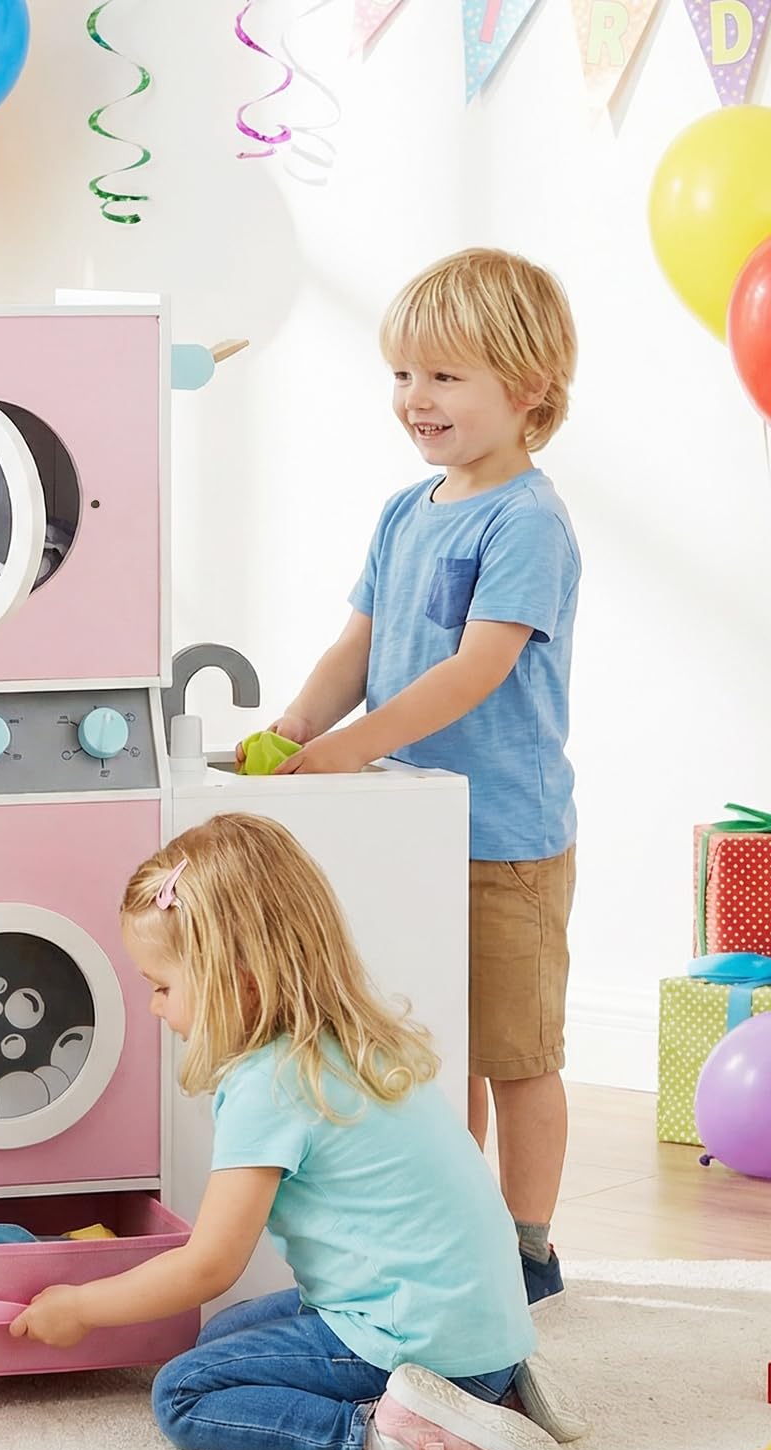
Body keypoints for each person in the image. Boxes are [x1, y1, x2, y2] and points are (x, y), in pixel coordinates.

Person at [10, 813, 587, 1450]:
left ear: (239, 980)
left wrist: (82, 1308)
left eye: (162, 987)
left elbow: (209, 1266)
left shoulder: (269, 1083)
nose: (154, 1008)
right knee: (224, 1334)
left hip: (420, 1343)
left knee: (184, 1391)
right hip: (480, 1333)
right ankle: (495, 1392)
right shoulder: (358, 1047)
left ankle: (392, 1433)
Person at [248, 248, 581, 1306]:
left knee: (515, 1052)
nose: (414, 398)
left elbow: (477, 668)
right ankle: (461, 1224)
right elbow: (357, 643)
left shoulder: (527, 521)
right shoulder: (406, 510)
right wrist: (301, 723)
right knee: (439, 1044)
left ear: (526, 389)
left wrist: (355, 746)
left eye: (443, 376)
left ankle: (527, 1243)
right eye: (402, 374)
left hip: (503, 839)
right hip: (409, 832)